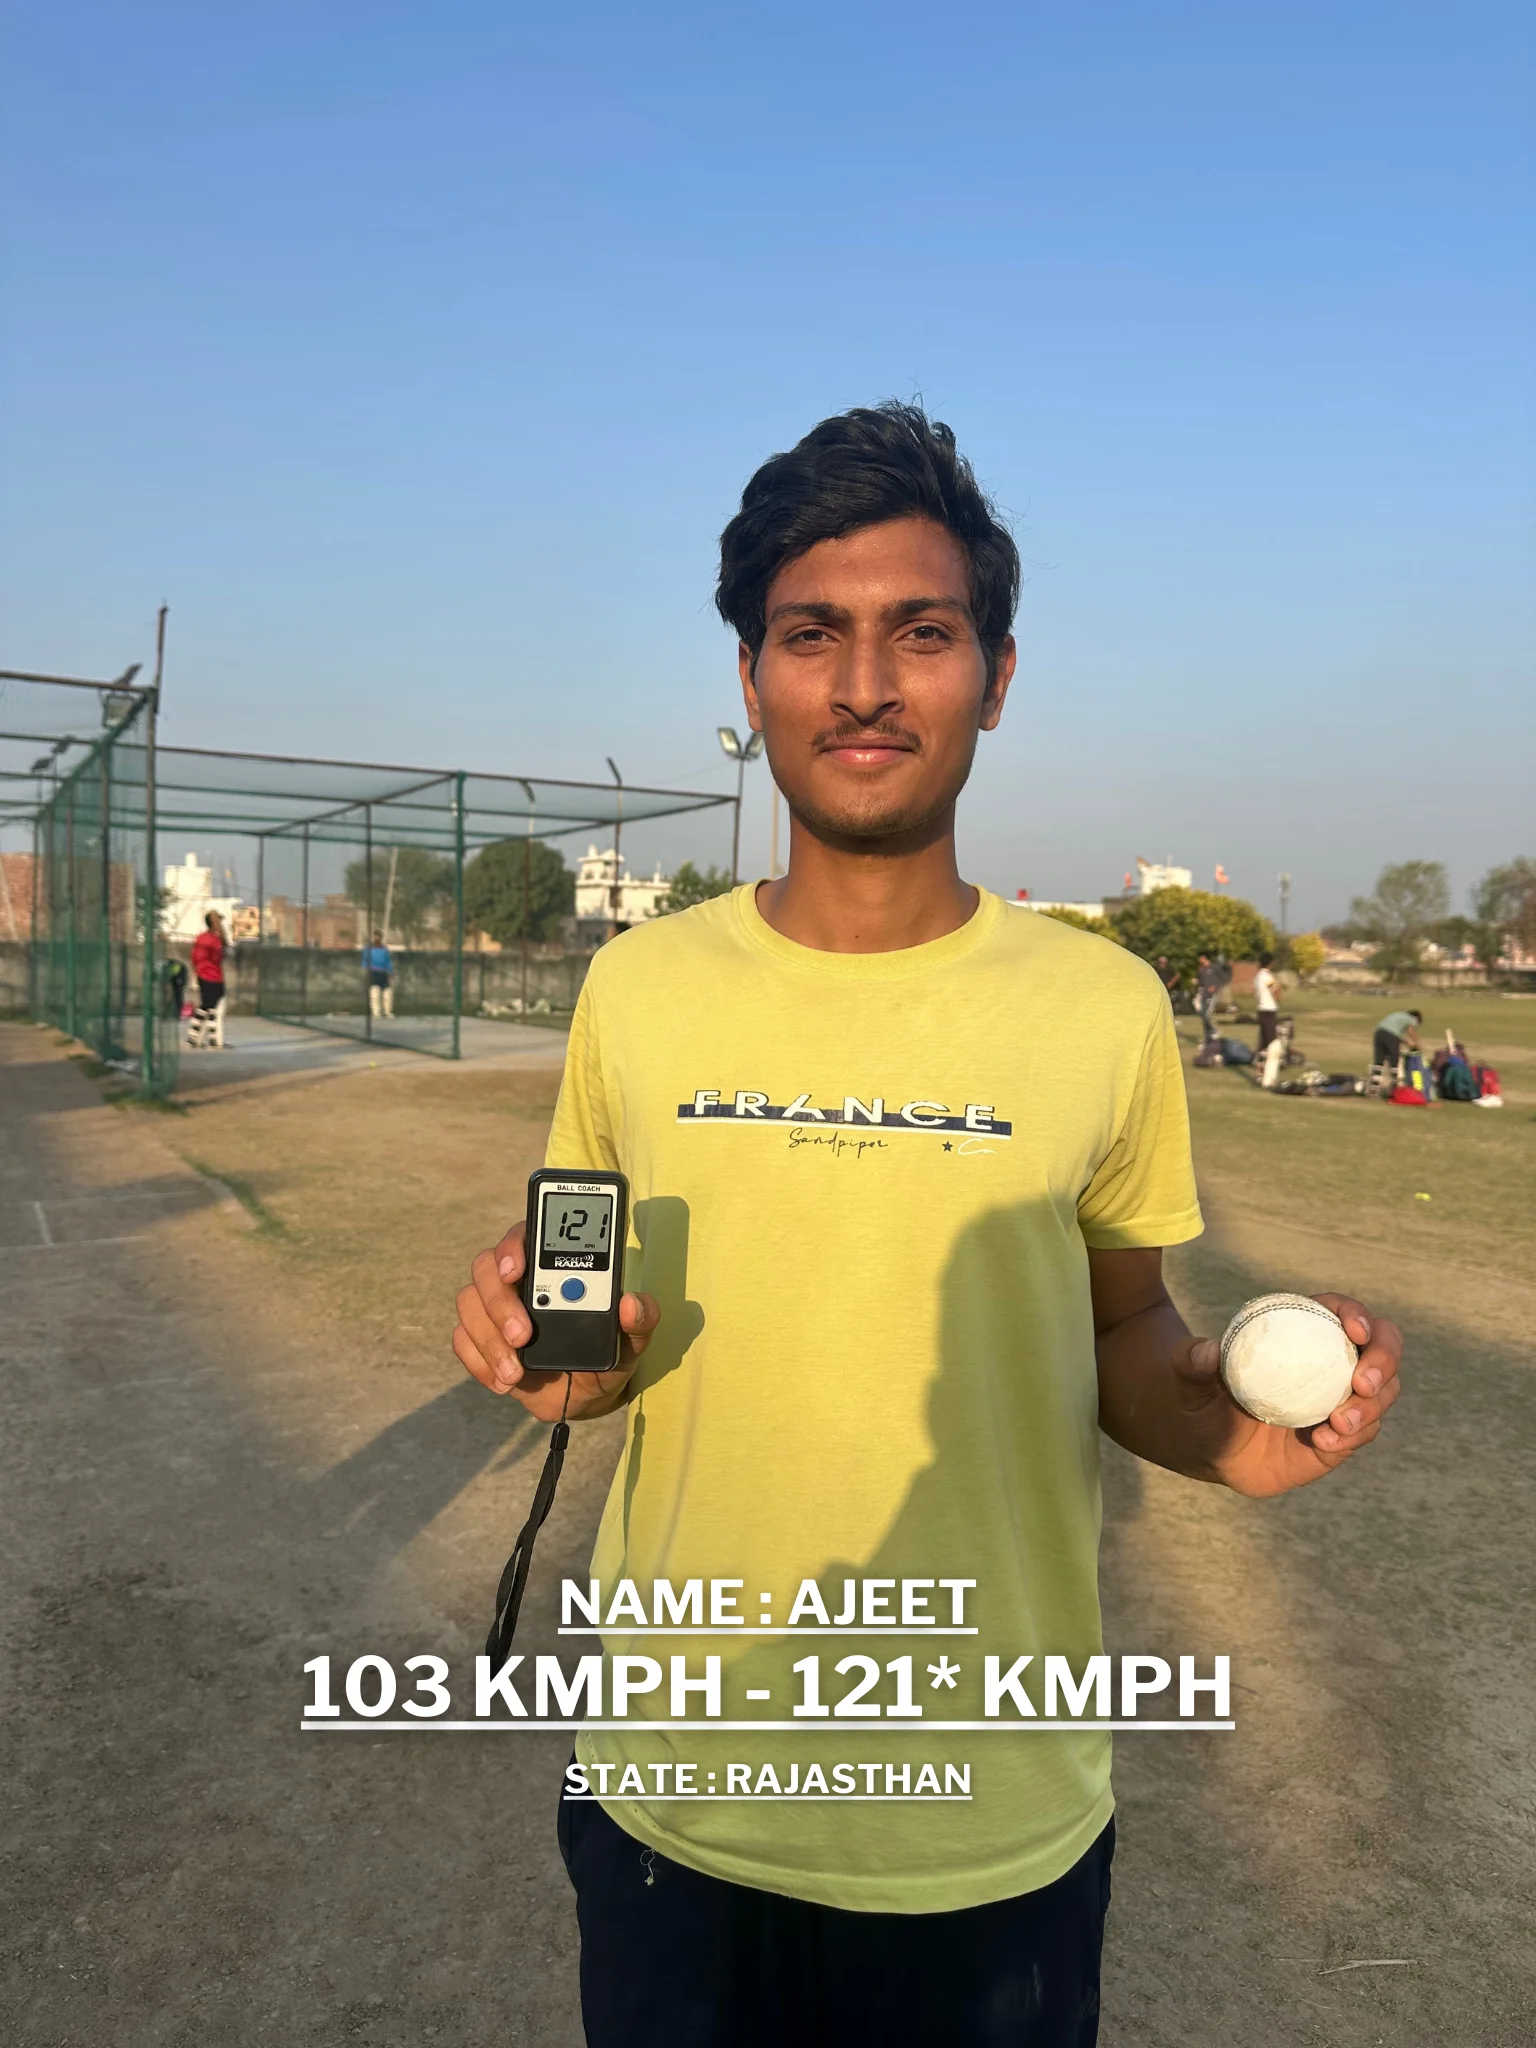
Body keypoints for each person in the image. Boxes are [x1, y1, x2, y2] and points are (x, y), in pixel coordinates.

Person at [453, 403, 1404, 2048]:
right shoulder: (640, 986)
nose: (866, 682)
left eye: (923, 632)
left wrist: (1218, 1435)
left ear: (999, 675)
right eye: (811, 634)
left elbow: (1118, 1327)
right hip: (679, 1798)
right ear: (750, 682)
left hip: (987, 1815)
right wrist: (553, 1366)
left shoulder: (1100, 1008)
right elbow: (604, 1333)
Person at [187, 910, 228, 1049]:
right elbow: (220, 956)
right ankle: (213, 1039)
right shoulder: (214, 939)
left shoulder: (200, 938)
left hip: (201, 975)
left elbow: (193, 957)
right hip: (214, 976)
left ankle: (193, 1036)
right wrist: (222, 933)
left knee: (205, 1005)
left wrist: (196, 972)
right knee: (213, 1008)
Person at [1372, 1007, 1422, 1074]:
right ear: (1416, 1018)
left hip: (1378, 1033)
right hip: (1390, 1035)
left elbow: (1393, 1033)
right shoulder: (1410, 1019)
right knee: (1394, 1058)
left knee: (1379, 1060)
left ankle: (1375, 1082)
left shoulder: (1398, 1015)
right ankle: (1394, 1081)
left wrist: (1406, 1041)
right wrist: (1417, 1045)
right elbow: (1411, 1032)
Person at [362, 930, 395, 1018]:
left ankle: (387, 1012)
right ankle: (376, 1013)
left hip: (384, 972)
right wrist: (367, 970)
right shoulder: (368, 948)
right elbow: (365, 961)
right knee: (374, 993)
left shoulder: (384, 949)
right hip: (374, 972)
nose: (377, 938)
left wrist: (390, 972)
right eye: (376, 936)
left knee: (387, 994)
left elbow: (388, 961)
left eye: (379, 936)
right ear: (373, 937)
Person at [1253, 949, 1280, 1053]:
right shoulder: (1267, 976)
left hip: (1261, 1008)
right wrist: (1278, 998)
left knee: (1263, 1037)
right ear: (1270, 963)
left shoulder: (1258, 976)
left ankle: (1261, 1057)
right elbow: (1275, 990)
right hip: (1269, 1009)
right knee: (1270, 1038)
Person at [1194, 951, 1221, 1043]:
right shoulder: (1201, 970)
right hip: (1203, 994)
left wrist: (1215, 987)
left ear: (1204, 958)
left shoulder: (1214, 968)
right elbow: (1200, 981)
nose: (1199, 960)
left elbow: (1220, 980)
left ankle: (1214, 1030)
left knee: (1207, 1014)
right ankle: (1207, 1036)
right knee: (1201, 1012)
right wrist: (1196, 982)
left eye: (1200, 958)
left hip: (1212, 995)